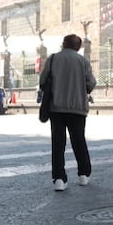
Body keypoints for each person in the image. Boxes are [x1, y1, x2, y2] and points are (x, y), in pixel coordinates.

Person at [40, 34, 96, 190]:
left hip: (56, 108)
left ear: (63, 44)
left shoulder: (52, 59)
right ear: (78, 47)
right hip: (78, 108)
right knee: (79, 140)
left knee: (58, 143)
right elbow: (91, 83)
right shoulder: (82, 61)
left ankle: (59, 179)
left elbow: (43, 81)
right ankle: (83, 174)